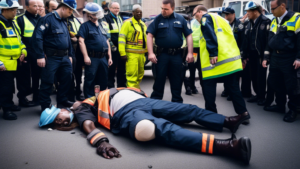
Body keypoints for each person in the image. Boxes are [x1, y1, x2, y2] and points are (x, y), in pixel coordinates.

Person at [39, 87, 252, 164]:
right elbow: (87, 125)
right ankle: (226, 147)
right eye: (58, 122)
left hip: (141, 101)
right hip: (128, 114)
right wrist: (101, 142)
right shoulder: (82, 110)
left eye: (58, 116)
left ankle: (227, 122)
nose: (62, 118)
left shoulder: (89, 99)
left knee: (187, 110)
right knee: (161, 128)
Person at [193, 5, 250, 124]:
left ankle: (211, 115)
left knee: (208, 88)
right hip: (229, 61)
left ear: (199, 12)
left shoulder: (205, 18)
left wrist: (213, 53)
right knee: (234, 88)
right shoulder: (222, 20)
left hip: (215, 62)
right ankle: (243, 113)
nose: (195, 18)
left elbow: (209, 34)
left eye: (194, 15)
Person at [31, 0, 77, 111]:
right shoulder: (46, 19)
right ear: (64, 8)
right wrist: (40, 55)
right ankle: (45, 106)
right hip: (51, 57)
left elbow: (67, 40)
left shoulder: (63, 21)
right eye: (71, 11)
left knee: (67, 78)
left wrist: (70, 54)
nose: (71, 13)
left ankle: (62, 101)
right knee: (48, 81)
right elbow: (37, 38)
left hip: (65, 57)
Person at [147, 0, 194, 103]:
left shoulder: (181, 19)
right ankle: (155, 103)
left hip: (176, 55)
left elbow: (189, 35)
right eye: (162, 8)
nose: (163, 11)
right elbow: (149, 35)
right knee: (159, 80)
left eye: (166, 9)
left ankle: (177, 104)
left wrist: (190, 53)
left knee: (177, 80)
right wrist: (150, 53)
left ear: (172, 8)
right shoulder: (158, 19)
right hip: (161, 55)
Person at [263, 0, 300, 122]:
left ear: (282, 6)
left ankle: (293, 110)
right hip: (275, 57)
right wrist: (266, 57)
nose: (271, 12)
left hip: (289, 57)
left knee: (291, 86)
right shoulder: (275, 20)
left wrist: (298, 58)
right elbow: (270, 41)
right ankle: (280, 106)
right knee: (275, 83)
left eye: (273, 9)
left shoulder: (297, 18)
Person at [78, 2, 113, 98]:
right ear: (89, 14)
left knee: (103, 79)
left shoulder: (101, 26)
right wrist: (85, 56)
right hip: (92, 57)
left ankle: (100, 99)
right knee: (90, 79)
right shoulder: (85, 26)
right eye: (94, 14)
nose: (96, 16)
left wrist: (109, 57)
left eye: (97, 13)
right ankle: (89, 100)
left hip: (103, 58)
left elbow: (107, 42)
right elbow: (81, 41)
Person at [0, 0, 27, 120]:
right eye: (13, 9)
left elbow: (20, 41)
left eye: (16, 9)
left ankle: (9, 104)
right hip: (4, 62)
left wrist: (23, 51)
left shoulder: (13, 23)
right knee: (5, 88)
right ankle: (6, 110)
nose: (16, 11)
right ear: (4, 10)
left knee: (11, 86)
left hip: (16, 61)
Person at [241, 1, 271, 106]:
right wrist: (244, 56)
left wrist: (266, 57)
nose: (247, 13)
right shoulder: (248, 23)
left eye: (248, 11)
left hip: (261, 55)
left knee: (261, 77)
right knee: (253, 76)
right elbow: (245, 41)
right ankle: (257, 94)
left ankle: (262, 96)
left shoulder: (266, 22)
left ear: (255, 11)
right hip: (251, 55)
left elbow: (268, 41)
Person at [221, 7, 251, 101]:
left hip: (238, 53)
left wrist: (243, 56)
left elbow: (243, 41)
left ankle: (238, 93)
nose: (226, 16)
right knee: (228, 73)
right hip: (227, 53)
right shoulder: (224, 24)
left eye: (228, 14)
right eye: (225, 14)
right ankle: (227, 90)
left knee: (237, 74)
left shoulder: (240, 25)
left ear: (233, 14)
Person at [16, 0, 41, 107]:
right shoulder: (20, 19)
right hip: (25, 52)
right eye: (34, 6)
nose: (37, 8)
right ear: (26, 7)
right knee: (23, 77)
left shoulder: (41, 19)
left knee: (37, 76)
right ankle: (22, 98)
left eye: (38, 6)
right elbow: (18, 38)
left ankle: (36, 96)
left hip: (37, 52)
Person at [118, 5, 147, 89]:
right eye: (137, 12)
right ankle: (132, 93)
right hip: (131, 55)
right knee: (132, 75)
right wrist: (122, 53)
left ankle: (136, 91)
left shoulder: (143, 24)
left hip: (141, 55)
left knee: (140, 75)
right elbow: (121, 38)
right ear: (133, 13)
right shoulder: (127, 23)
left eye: (140, 12)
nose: (139, 14)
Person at [105, 1, 126, 88]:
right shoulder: (106, 18)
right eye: (115, 8)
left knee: (122, 68)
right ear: (110, 8)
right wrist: (112, 46)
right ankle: (111, 88)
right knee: (112, 68)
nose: (117, 10)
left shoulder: (120, 17)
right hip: (112, 47)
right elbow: (107, 34)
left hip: (121, 47)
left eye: (118, 8)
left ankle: (121, 86)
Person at [66, 13, 83, 102]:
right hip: (69, 49)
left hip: (78, 50)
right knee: (70, 73)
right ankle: (70, 94)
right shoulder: (64, 19)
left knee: (78, 72)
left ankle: (78, 91)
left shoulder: (76, 19)